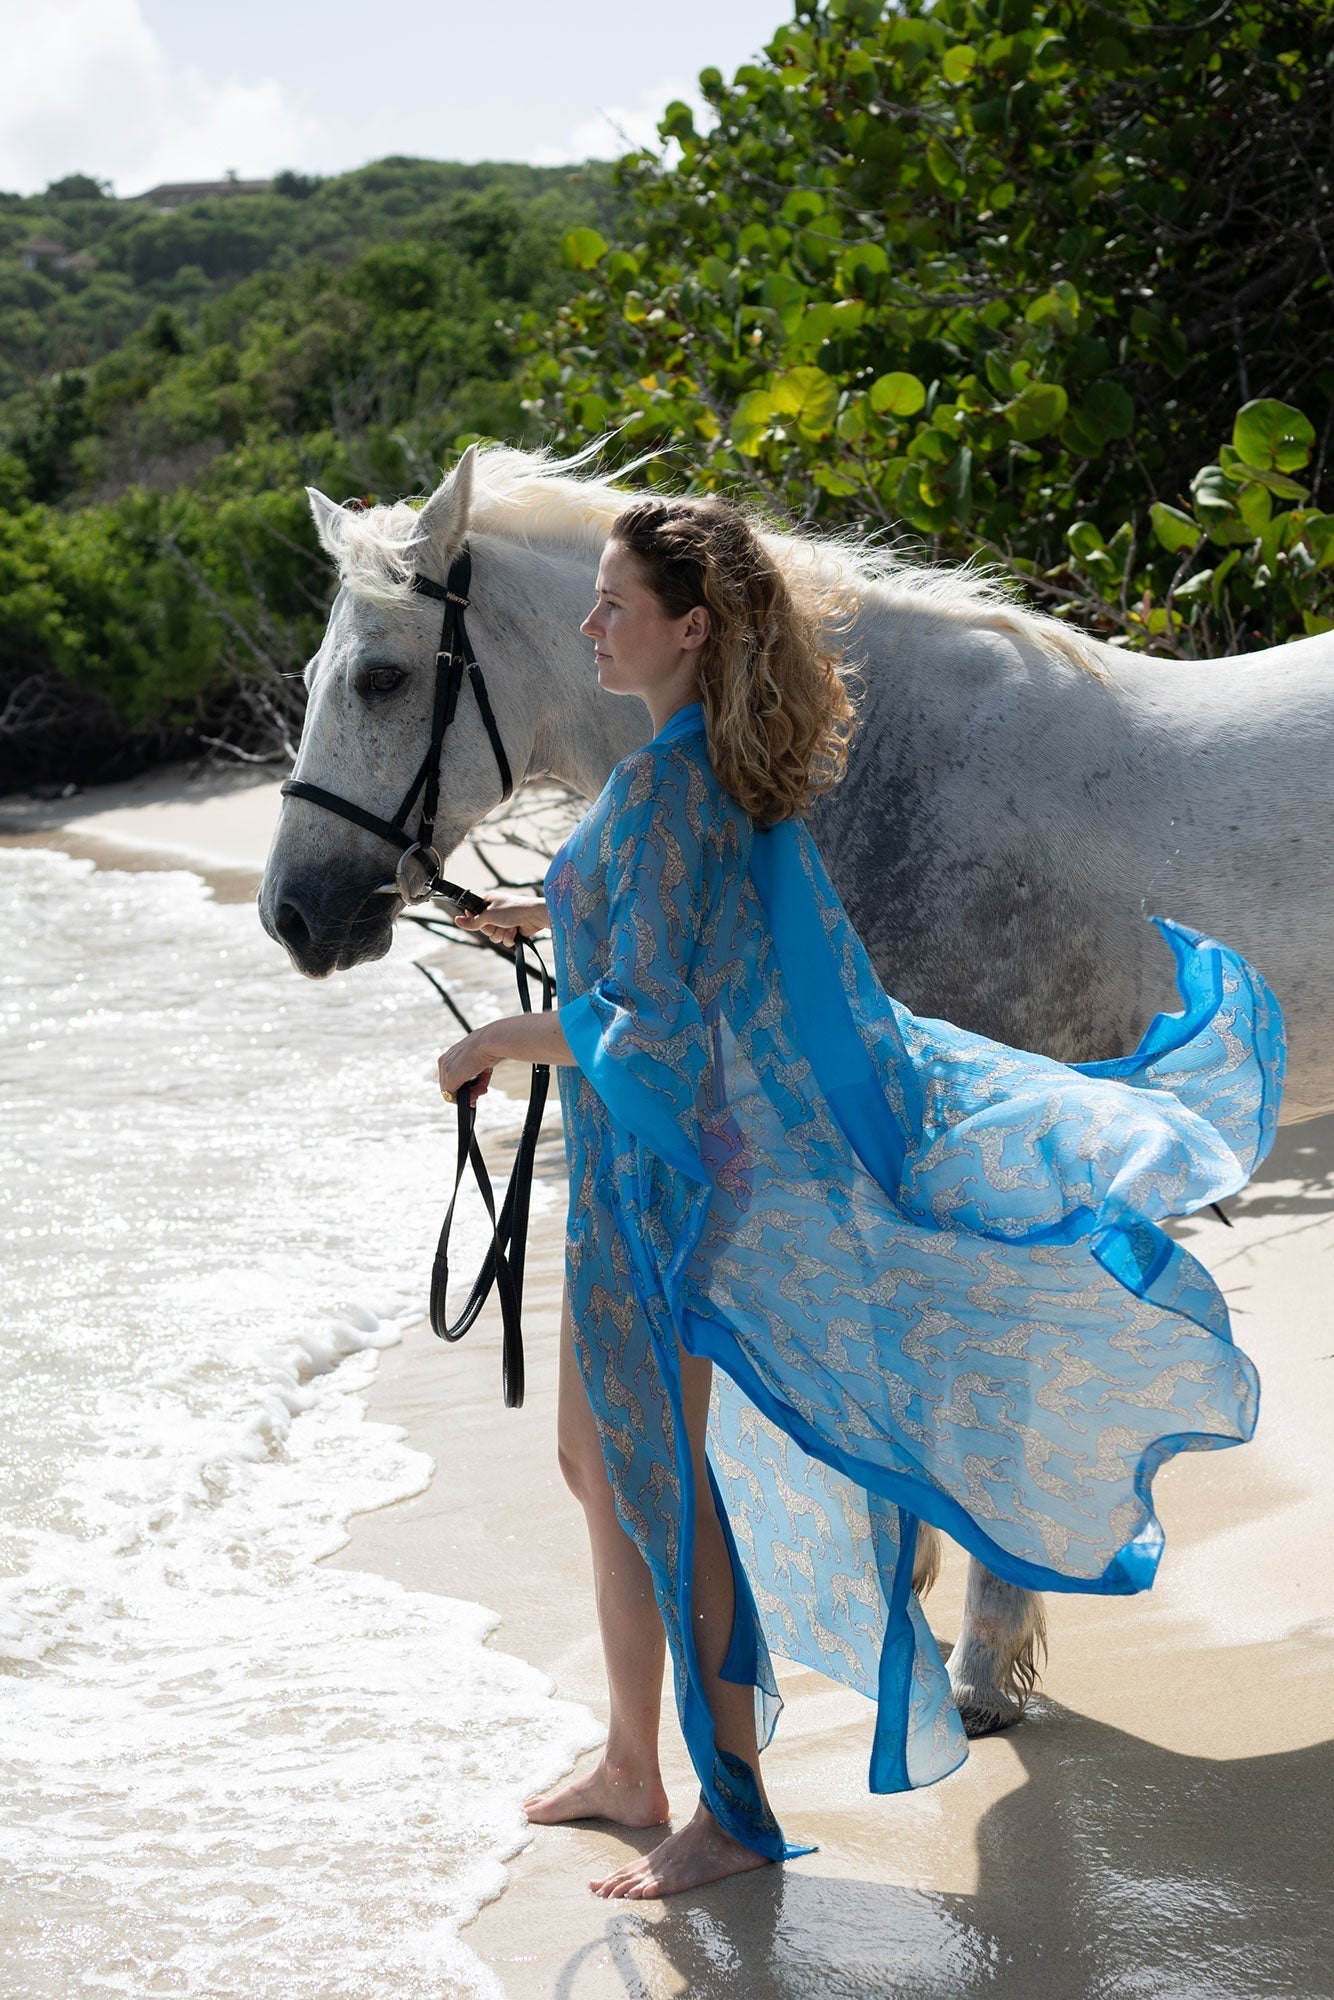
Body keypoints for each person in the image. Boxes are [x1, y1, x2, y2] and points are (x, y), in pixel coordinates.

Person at [435, 494, 1283, 1901]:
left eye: (611, 607)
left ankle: (729, 1807)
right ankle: (630, 1760)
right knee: (602, 1467)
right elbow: (688, 941)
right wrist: (551, 915)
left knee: (658, 1487)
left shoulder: (661, 788)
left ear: (688, 628)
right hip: (655, 1178)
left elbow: (665, 1031)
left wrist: (496, 1040)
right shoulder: (695, 774)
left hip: (665, 1189)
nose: (586, 628)